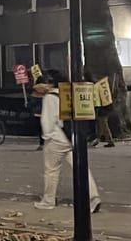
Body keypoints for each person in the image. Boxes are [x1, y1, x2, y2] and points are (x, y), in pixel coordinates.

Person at [33, 70, 101, 213]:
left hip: (56, 138)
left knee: (51, 170)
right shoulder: (67, 94)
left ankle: (48, 200)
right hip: (72, 137)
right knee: (81, 169)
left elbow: (47, 121)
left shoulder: (50, 97)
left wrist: (47, 137)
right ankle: (93, 198)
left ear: (49, 83)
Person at [30, 76, 50, 151]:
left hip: (37, 113)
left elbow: (32, 103)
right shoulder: (48, 90)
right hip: (46, 112)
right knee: (46, 129)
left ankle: (41, 144)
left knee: (40, 130)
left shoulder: (34, 90)